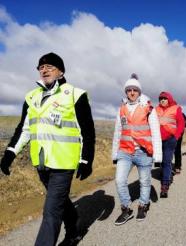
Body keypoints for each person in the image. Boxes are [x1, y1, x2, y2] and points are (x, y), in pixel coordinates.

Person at [0, 52, 95, 246]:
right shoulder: (31, 97)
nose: (44, 70)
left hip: (64, 162)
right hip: (41, 162)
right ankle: (74, 228)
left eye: (50, 66)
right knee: (59, 201)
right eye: (41, 67)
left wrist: (86, 160)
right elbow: (24, 129)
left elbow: (87, 130)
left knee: (51, 210)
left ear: (61, 72)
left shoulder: (75, 94)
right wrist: (10, 153)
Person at [112, 74, 162, 225]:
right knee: (120, 180)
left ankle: (143, 205)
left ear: (139, 92)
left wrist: (158, 155)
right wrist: (114, 153)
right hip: (125, 152)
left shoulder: (148, 108)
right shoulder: (121, 109)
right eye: (129, 90)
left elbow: (155, 131)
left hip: (144, 152)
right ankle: (126, 209)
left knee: (145, 181)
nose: (132, 92)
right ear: (126, 92)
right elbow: (118, 132)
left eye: (135, 90)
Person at [155, 92, 185, 198]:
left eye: (164, 98)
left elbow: (181, 123)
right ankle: (164, 174)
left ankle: (165, 185)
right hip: (158, 140)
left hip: (170, 140)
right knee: (161, 160)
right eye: (160, 99)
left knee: (167, 161)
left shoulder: (176, 108)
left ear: (169, 99)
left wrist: (176, 136)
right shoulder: (156, 109)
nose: (162, 100)